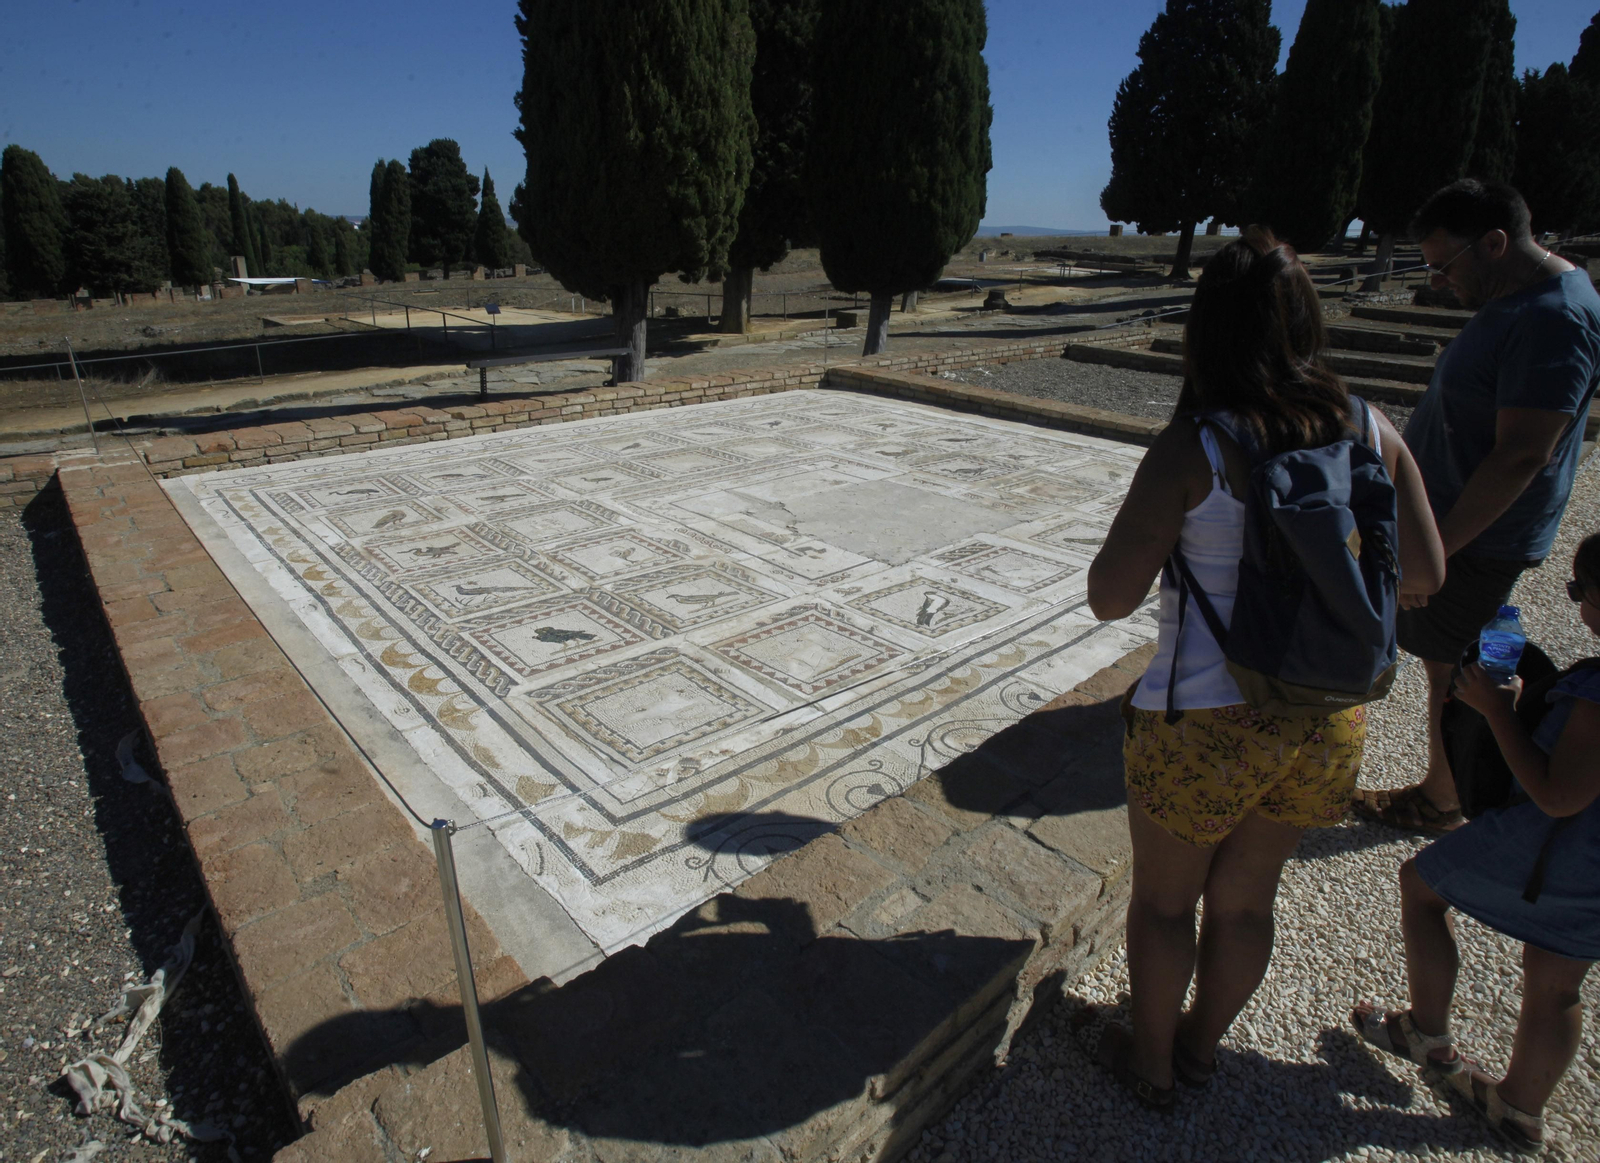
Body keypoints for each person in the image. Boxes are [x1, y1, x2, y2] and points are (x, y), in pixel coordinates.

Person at [1086, 229, 1444, 1107]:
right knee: (1246, 904)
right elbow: (1428, 576)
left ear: (1206, 332)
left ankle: (1153, 1064)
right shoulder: (1369, 425)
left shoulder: (1196, 446)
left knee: (1167, 906)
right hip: (1326, 719)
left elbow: (1110, 597)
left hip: (1205, 722)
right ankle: (1203, 1048)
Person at [1352, 179, 1600, 835]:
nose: (1436, 282)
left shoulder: (1554, 318)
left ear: (1494, 243)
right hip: (1455, 528)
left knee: (1452, 666)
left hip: (1475, 537)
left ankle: (1443, 797)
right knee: (1453, 660)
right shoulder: (1523, 300)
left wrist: (1432, 552)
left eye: (1444, 265)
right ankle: (1451, 786)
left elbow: (1522, 454)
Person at [1354, 532, 1600, 1153]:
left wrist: (1497, 711)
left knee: (1420, 885)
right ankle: (1519, 1108)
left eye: (1579, 592)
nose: (1575, 606)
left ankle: (1425, 1031)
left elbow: (1559, 796)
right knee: (1556, 980)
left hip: (1558, 849)